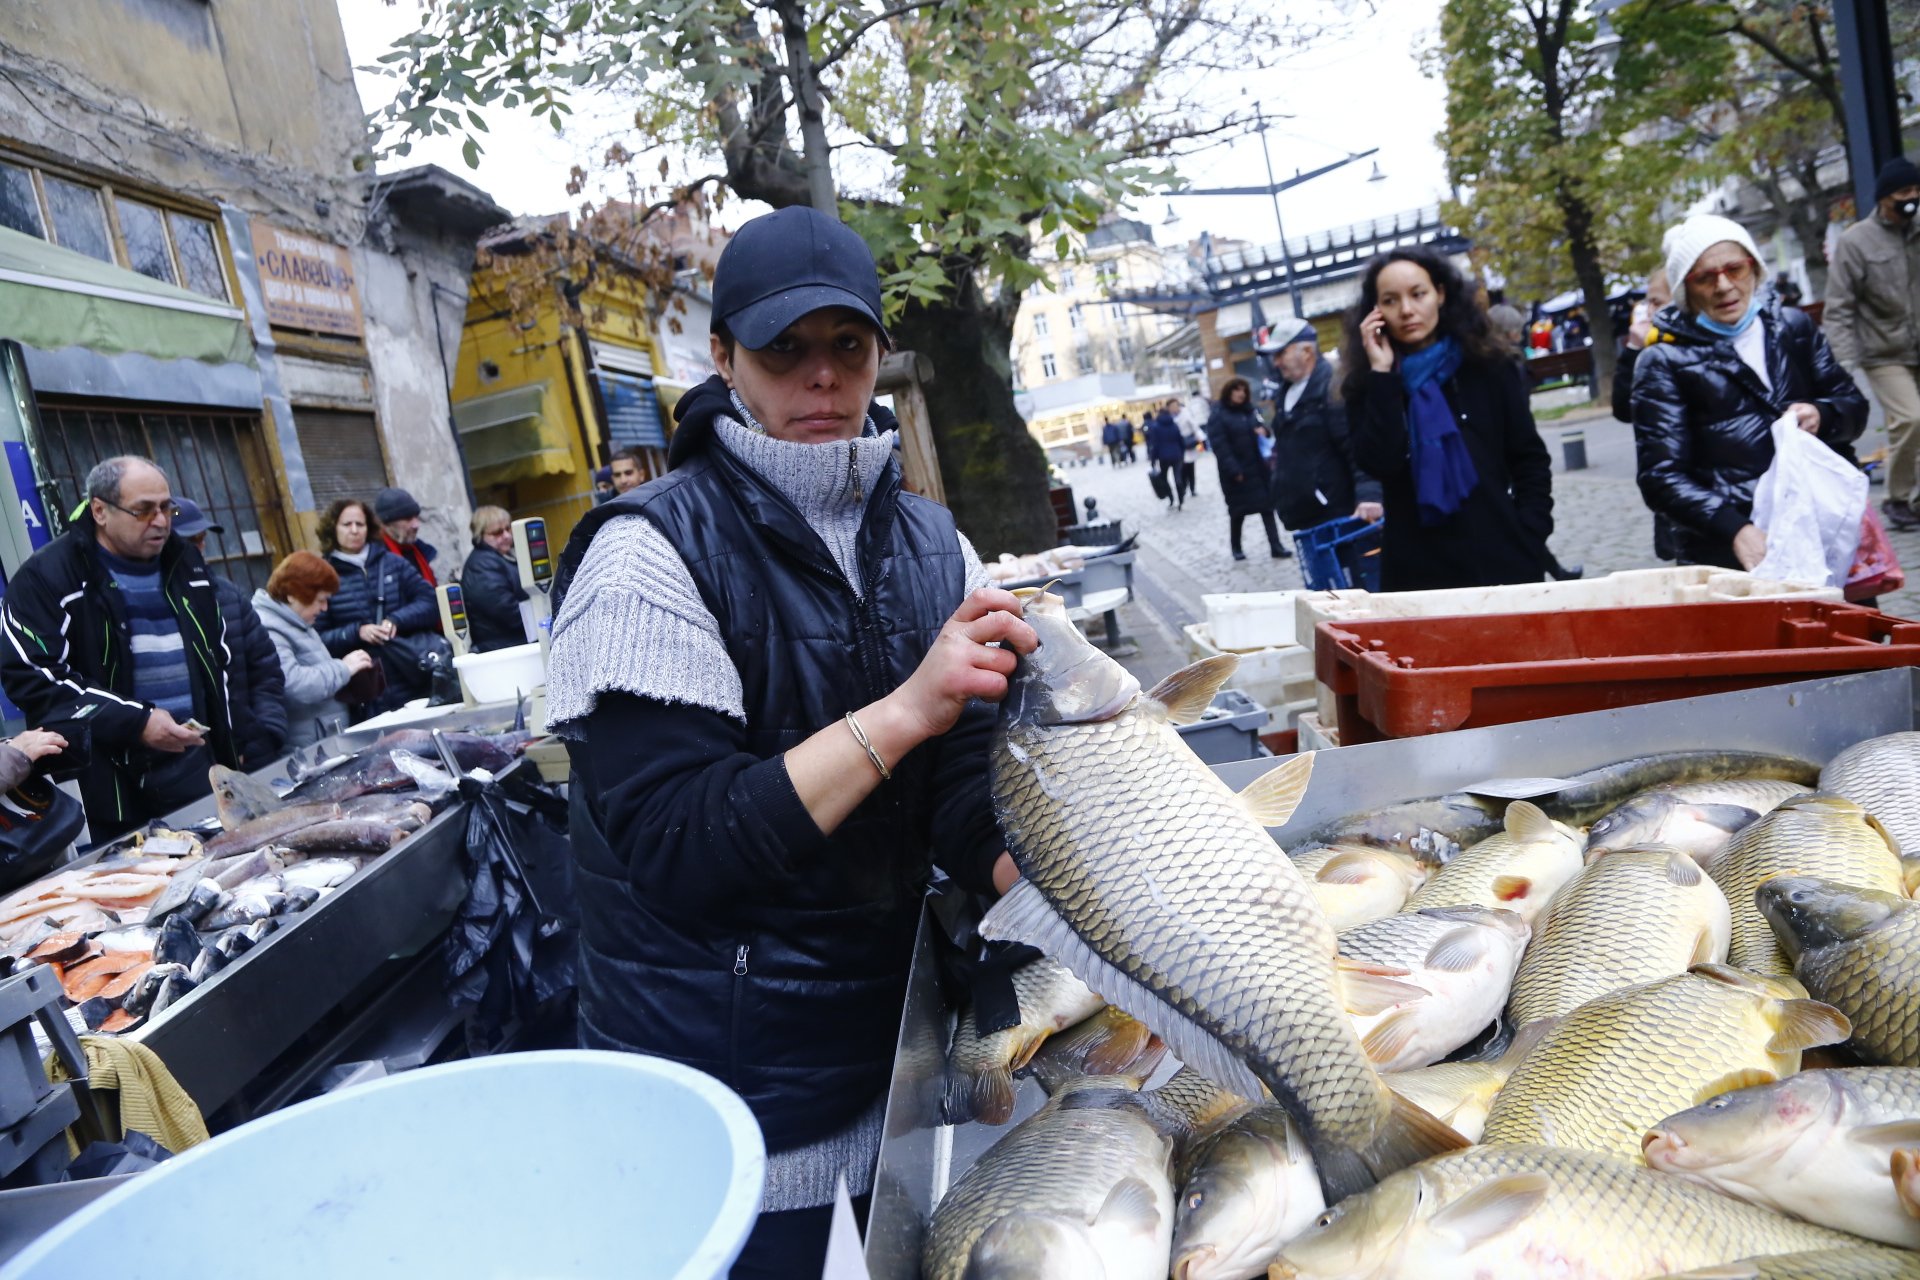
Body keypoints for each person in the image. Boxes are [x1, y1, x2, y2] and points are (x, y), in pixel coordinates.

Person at [545, 204, 1034, 1278]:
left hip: (895, 1055)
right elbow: (681, 846)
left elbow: (959, 795)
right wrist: (906, 707)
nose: (820, 377)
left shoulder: (927, 538)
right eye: (783, 349)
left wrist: (1064, 895)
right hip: (734, 1099)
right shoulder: (647, 558)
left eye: (846, 347)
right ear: (721, 359)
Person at [0, 457, 237, 840]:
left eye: (166, 507)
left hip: (194, 767)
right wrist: (136, 722)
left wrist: (230, 747)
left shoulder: (186, 563)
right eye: (143, 510)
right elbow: (35, 679)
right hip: (108, 786)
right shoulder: (47, 577)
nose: (160, 521)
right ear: (100, 510)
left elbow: (219, 658)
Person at [1633, 214, 1867, 570]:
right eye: (1705, 277)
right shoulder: (1662, 362)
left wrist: (1823, 415)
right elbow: (1661, 476)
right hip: (1733, 551)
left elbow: (1854, 408)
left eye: (1734, 269)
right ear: (1685, 290)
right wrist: (1735, 528)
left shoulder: (1795, 327)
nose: (1724, 286)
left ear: (1754, 270)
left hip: (1823, 527)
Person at [1343, 247, 1556, 591]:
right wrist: (1382, 374)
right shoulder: (1368, 385)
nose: (1407, 310)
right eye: (1391, 300)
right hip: (1417, 574)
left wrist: (1530, 533)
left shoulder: (1489, 365)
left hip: (1502, 560)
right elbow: (1381, 462)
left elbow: (1528, 457)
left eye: (1418, 294)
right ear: (1376, 311)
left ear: (1440, 294)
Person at [1825, 156, 1920, 531]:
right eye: (1903, 192)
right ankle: (1897, 499)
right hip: (1884, 352)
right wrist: (1842, 365)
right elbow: (1839, 308)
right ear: (1883, 198)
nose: (1910, 198)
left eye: (1916, 190)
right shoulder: (1856, 242)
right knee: (1912, 419)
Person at [175, 499, 285, 768]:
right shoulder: (152, 602)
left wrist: (267, 730)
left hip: (255, 750)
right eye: (188, 541)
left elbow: (266, 669)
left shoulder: (228, 595)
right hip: (193, 761)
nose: (198, 547)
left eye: (201, 539)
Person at [314, 497, 440, 716]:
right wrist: (357, 632)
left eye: (360, 524)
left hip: (410, 675)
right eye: (346, 524)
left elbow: (430, 602)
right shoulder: (322, 576)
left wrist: (397, 620)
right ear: (332, 529)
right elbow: (317, 638)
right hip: (365, 691)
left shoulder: (393, 563)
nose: (354, 531)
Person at [1267, 320, 1382, 536]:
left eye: (1281, 353)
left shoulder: (1332, 389)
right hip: (1307, 512)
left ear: (1308, 351)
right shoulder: (1285, 393)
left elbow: (1355, 446)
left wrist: (1369, 495)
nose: (1276, 362)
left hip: (1336, 512)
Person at [254, 551, 377, 751]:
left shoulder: (295, 619)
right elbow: (295, 685)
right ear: (293, 594)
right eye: (320, 600)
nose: (325, 608)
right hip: (307, 747)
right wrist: (344, 668)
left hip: (322, 738)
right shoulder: (269, 628)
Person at [1612, 269, 1678, 559]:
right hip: (1670, 496)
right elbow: (1623, 409)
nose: (1648, 311)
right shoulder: (1649, 348)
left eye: (1656, 302)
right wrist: (1633, 349)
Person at [1204, 378, 1288, 561]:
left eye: (1243, 390)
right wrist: (1234, 470)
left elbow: (1263, 430)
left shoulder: (1249, 411)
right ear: (1229, 392)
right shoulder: (1218, 415)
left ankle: (1276, 546)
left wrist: (1264, 432)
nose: (1240, 393)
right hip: (1237, 473)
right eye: (1236, 390)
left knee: (1267, 508)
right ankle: (1236, 546)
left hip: (1258, 468)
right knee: (1238, 511)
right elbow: (1220, 446)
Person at [459, 505, 531, 652]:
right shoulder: (481, 566)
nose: (506, 535)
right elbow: (506, 611)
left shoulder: (503, 557)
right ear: (480, 536)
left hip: (515, 643)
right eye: (497, 532)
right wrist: (539, 615)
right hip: (503, 649)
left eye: (507, 528)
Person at [374, 487, 438, 589]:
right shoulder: (375, 559)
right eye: (408, 519)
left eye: (416, 517)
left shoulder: (419, 551)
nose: (416, 525)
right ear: (387, 523)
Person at [1143, 402, 1185, 508]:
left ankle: (1171, 497)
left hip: (1163, 457)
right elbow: (1181, 440)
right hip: (1176, 454)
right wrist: (1182, 453)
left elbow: (1155, 445)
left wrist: (1153, 460)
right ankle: (1180, 498)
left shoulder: (1156, 427)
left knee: (1164, 478)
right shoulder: (1174, 425)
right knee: (1177, 477)